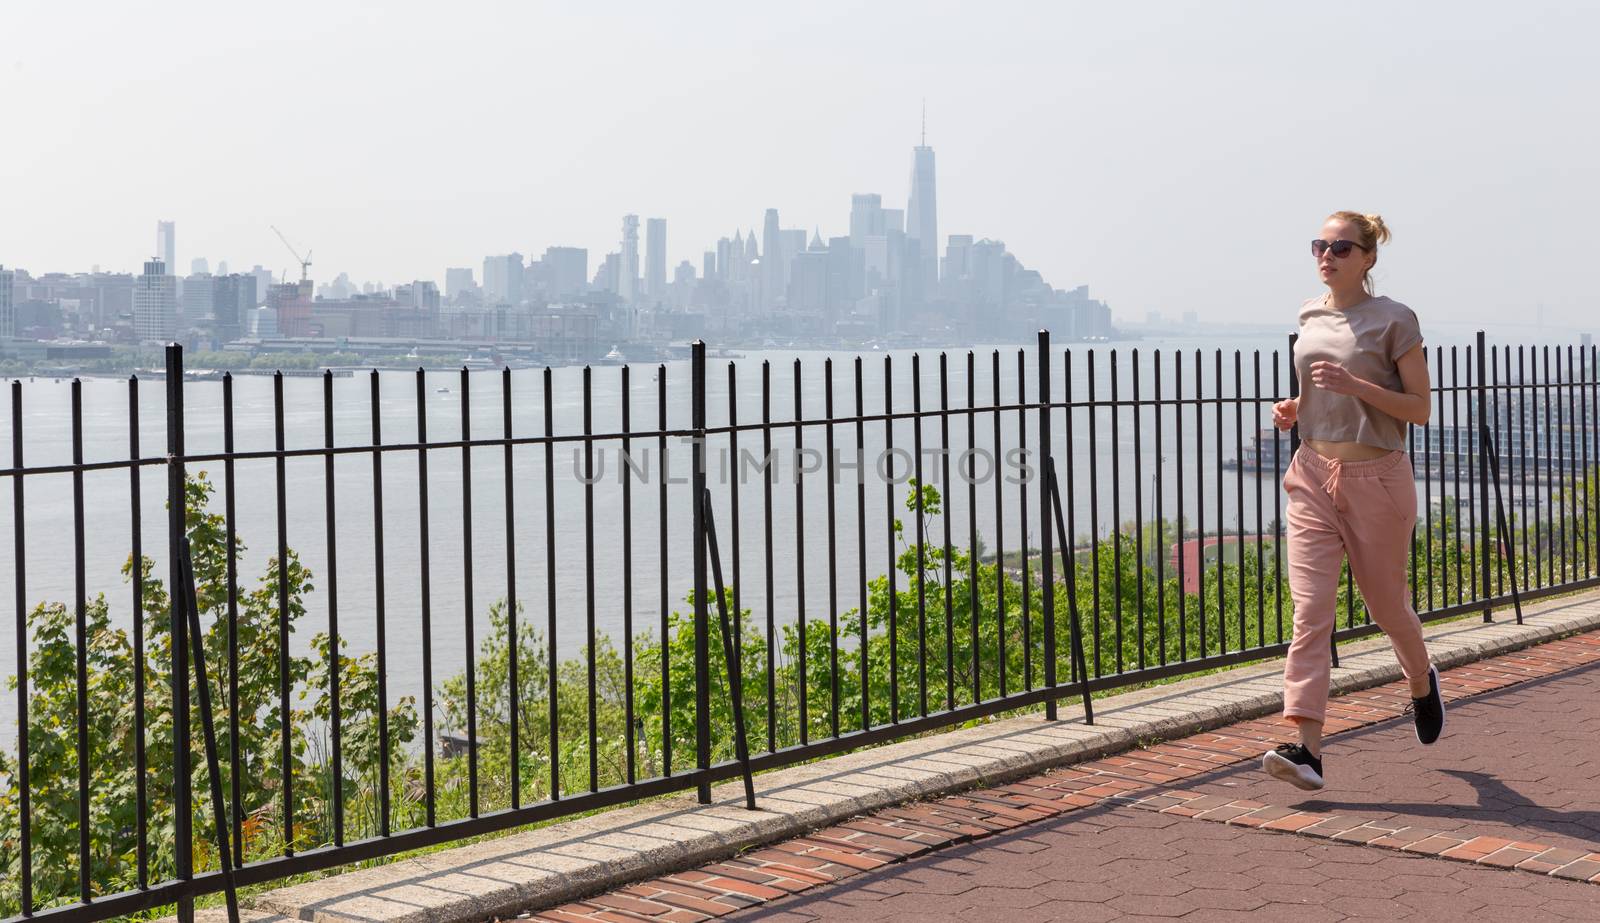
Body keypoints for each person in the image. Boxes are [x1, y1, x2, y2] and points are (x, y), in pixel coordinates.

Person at [1260, 211, 1445, 791]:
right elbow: (1318, 386)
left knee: (1388, 607)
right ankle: (1307, 748)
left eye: (1341, 247)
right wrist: (1298, 407)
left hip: (1378, 481)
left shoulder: (1394, 319)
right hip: (1312, 472)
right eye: (1320, 244)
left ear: (1367, 258)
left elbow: (1418, 408)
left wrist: (1356, 388)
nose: (1327, 255)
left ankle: (1421, 679)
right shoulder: (1308, 313)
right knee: (1310, 614)